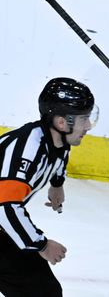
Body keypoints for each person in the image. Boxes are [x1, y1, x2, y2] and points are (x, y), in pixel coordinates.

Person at [0, 77, 98, 297]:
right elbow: (5, 208)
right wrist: (42, 245)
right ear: (62, 122)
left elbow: (60, 158)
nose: (89, 126)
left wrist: (57, 184)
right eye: (84, 119)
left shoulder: (58, 140)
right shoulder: (27, 151)